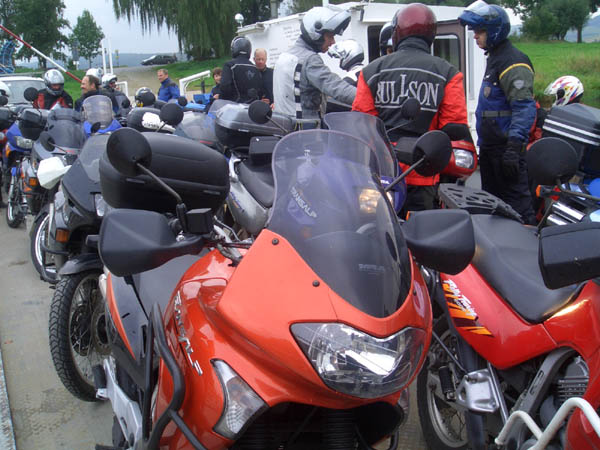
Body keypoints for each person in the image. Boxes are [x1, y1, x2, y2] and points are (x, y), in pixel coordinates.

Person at [353, 3, 472, 215]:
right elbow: (454, 126)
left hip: (382, 171)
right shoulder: (448, 73)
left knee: (376, 227)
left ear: (397, 32)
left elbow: (362, 124)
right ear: (431, 34)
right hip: (423, 171)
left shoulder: (371, 71)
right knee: (422, 230)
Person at [459, 0, 537, 224]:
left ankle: (530, 243)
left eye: (480, 31)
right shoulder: (495, 59)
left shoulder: (513, 62)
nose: (475, 36)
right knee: (492, 208)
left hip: (506, 151)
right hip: (491, 150)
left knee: (518, 209)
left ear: (494, 31)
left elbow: (523, 107)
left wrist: (513, 148)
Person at [273, 6, 356, 120]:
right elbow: (335, 87)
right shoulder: (309, 59)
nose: (333, 42)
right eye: (330, 36)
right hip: (306, 128)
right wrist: (367, 97)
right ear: (316, 33)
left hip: (284, 126)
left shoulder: (286, 56)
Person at [220, 37, 264, 103]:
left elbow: (224, 87)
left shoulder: (230, 65)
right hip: (252, 106)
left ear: (234, 49)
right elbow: (260, 91)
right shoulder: (256, 69)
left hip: (234, 105)